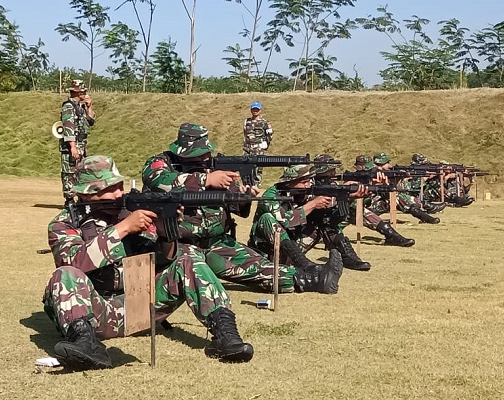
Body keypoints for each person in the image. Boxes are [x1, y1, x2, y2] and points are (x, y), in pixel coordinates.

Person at [43, 155, 253, 370]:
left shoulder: (132, 211)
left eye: (119, 186)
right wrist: (123, 228)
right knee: (64, 274)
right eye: (108, 189)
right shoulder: (64, 224)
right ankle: (85, 344)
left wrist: (164, 232)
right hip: (95, 312)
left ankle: (226, 335)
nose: (117, 194)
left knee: (188, 255)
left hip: (140, 306)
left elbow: (165, 259)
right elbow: (75, 262)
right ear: (84, 193)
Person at [142, 123, 342, 294]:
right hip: (179, 246)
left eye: (205, 153)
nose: (205, 158)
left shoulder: (213, 169)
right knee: (237, 271)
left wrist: (245, 196)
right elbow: (159, 181)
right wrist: (206, 179)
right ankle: (310, 279)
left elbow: (239, 209)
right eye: (199, 154)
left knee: (258, 264)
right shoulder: (161, 163)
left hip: (217, 242)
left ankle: (315, 276)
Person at [247, 163, 348, 289]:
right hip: (264, 253)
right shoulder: (271, 196)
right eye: (304, 182)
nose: (308, 185)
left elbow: (328, 208)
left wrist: (346, 196)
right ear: (290, 182)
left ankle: (341, 260)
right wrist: (312, 205)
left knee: (318, 219)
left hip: (290, 250)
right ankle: (308, 266)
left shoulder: (303, 193)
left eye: (310, 181)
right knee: (266, 218)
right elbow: (285, 220)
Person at [348, 155, 415, 247]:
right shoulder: (351, 181)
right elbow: (354, 201)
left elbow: (387, 195)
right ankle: (391, 235)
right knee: (357, 208)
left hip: (368, 208)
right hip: (345, 215)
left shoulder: (369, 180)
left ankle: (392, 235)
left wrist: (382, 184)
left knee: (390, 201)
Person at [371, 152, 440, 224]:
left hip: (379, 203)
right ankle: (426, 212)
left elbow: (391, 188)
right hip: (370, 206)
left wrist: (401, 178)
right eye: (387, 162)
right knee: (397, 197)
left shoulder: (382, 172)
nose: (389, 164)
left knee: (398, 197)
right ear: (382, 163)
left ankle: (425, 215)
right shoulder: (373, 173)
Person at [59, 79, 96, 205]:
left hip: (81, 145)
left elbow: (90, 121)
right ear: (76, 93)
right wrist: (72, 147)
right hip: (72, 146)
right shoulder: (68, 107)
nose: (85, 94)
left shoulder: (80, 107)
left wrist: (89, 106)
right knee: (69, 172)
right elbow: (68, 127)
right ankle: (69, 200)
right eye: (83, 92)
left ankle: (80, 198)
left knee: (80, 172)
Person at [243, 101, 274, 186]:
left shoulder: (265, 123)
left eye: (257, 109)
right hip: (248, 149)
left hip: (258, 150)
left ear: (260, 110)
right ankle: (247, 185)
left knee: (257, 170)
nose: (255, 111)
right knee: (245, 168)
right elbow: (245, 134)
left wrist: (265, 146)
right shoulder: (247, 121)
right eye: (253, 109)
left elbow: (270, 135)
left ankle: (256, 186)